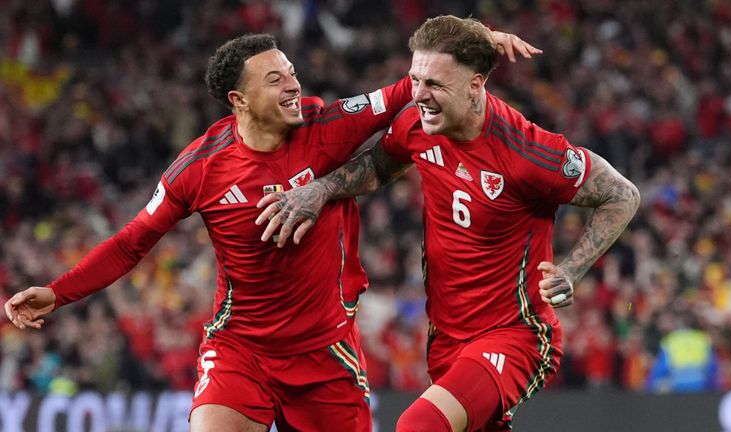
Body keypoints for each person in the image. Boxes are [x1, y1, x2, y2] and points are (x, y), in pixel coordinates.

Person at [4, 29, 540, 432]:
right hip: (243, 349)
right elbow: (131, 242)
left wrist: (474, 45)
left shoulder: (324, 128)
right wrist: (58, 292)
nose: (294, 84)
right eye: (275, 78)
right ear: (238, 100)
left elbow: (406, 89)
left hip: (326, 355)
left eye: (291, 72)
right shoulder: (199, 168)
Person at [256, 15, 641, 432]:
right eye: (415, 80)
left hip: (515, 337)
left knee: (418, 426)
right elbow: (379, 165)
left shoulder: (527, 153)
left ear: (475, 85)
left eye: (434, 85)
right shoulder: (418, 126)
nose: (419, 95)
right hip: (446, 340)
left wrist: (571, 268)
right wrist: (322, 189)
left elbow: (622, 195)